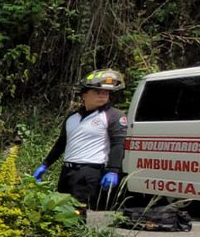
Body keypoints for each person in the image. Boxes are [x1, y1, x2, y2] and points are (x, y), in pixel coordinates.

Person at [33, 69, 128, 217]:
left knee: (75, 213)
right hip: (67, 171)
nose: (103, 95)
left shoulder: (114, 116)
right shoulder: (72, 117)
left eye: (106, 92)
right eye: (97, 91)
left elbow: (118, 144)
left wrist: (113, 170)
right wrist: (45, 164)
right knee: (60, 210)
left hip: (89, 171)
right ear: (84, 94)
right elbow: (61, 143)